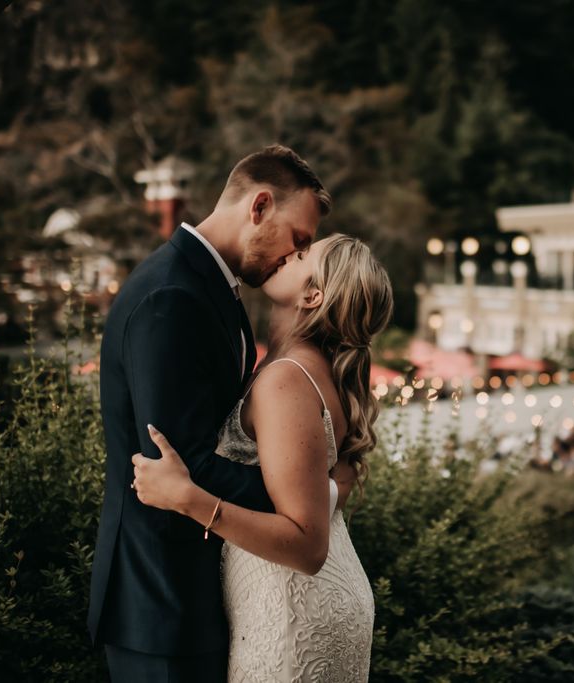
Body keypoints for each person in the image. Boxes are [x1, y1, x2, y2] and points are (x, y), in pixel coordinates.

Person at [89, 145, 334, 682]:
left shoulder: (215, 289)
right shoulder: (171, 296)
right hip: (160, 600)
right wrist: (306, 499)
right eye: (298, 240)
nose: (294, 258)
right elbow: (179, 460)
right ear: (260, 206)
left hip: (199, 593)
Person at [132, 233, 393, 681]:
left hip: (293, 608)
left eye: (304, 253)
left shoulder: (286, 380)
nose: (291, 251)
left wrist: (186, 499)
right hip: (307, 595)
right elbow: (334, 483)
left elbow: (308, 546)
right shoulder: (301, 368)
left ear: (314, 294)